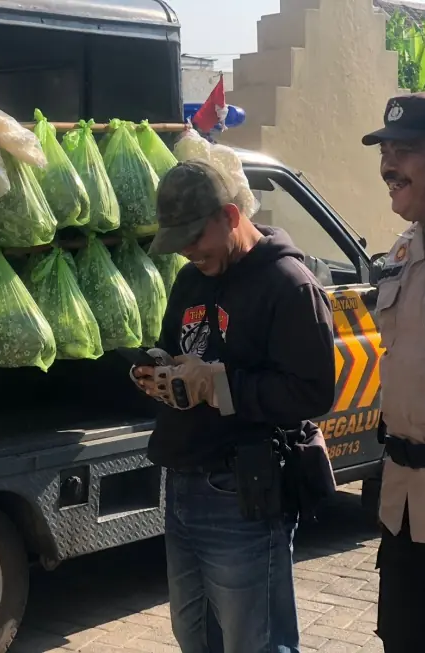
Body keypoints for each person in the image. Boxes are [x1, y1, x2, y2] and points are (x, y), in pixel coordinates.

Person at [131, 158, 336, 653]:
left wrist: (219, 386)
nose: (186, 251)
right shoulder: (191, 279)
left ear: (228, 215)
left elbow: (313, 393)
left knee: (255, 642)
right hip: (183, 482)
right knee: (195, 637)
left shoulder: (289, 284)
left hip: (243, 494)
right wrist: (155, 369)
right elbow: (172, 343)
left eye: (194, 237)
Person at [362, 92, 425, 653]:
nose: (388, 166)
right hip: (405, 508)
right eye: (384, 151)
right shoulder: (406, 248)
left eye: (405, 151)